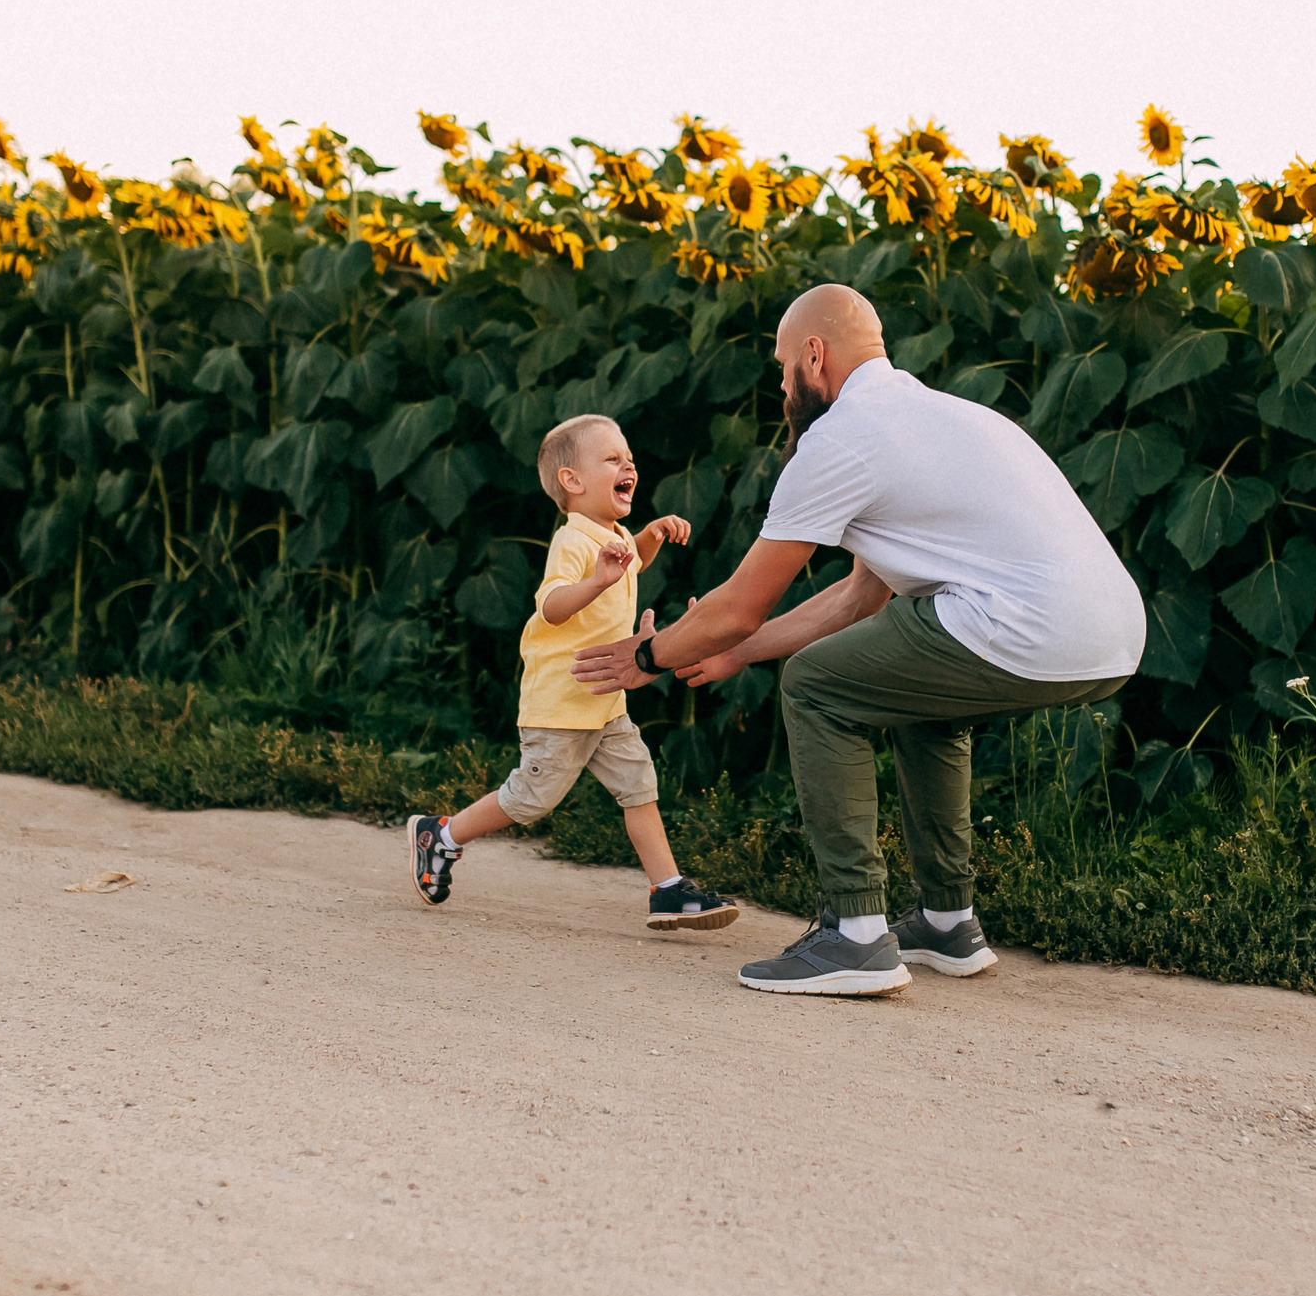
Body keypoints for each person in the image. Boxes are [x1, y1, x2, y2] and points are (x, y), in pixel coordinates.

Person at [574, 284, 1144, 995]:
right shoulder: (945, 417)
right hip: (1114, 631)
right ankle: (946, 922)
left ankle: (855, 936)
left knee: (815, 684)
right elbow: (858, 596)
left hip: (1024, 623)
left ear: (815, 355)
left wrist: (649, 655)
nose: (783, 388)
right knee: (910, 692)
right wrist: (738, 653)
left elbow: (741, 605)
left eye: (784, 369)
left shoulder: (841, 437)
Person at [407, 413, 740, 933]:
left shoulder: (614, 535)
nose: (628, 463)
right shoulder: (573, 540)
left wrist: (647, 537)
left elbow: (631, 564)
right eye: (612, 458)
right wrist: (599, 580)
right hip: (562, 704)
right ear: (573, 481)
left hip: (605, 703)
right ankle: (440, 835)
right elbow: (553, 606)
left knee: (639, 787)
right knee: (529, 800)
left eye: (628, 456)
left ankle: (668, 890)